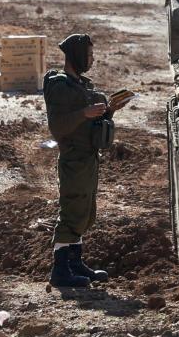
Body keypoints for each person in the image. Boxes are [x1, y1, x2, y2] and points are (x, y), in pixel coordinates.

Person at [44, 33, 128, 288]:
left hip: (88, 158)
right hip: (74, 159)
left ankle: (75, 263)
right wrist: (84, 112)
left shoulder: (80, 85)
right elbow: (58, 127)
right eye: (89, 55)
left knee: (85, 213)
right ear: (78, 56)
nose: (92, 60)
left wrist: (109, 109)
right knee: (72, 212)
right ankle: (60, 271)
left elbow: (89, 119)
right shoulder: (60, 87)